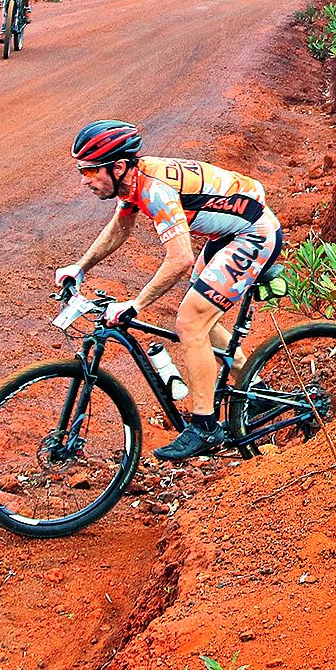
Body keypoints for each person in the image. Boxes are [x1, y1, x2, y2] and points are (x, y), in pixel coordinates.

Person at [55, 121, 282, 463]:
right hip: (226, 235)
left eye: (89, 171)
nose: (84, 180)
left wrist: (136, 303)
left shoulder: (155, 189)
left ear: (118, 167)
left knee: (190, 322)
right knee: (202, 317)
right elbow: (120, 227)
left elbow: (180, 259)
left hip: (254, 233)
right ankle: (258, 389)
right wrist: (80, 267)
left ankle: (205, 426)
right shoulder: (132, 182)